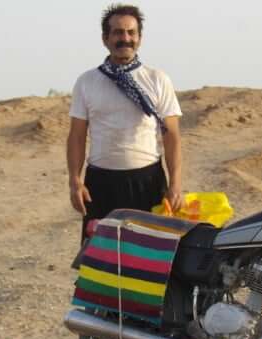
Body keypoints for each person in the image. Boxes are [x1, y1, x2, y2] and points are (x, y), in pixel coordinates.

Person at [66, 4, 183, 242]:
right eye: (118, 32)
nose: (125, 38)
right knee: (97, 264)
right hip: (100, 185)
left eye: (131, 32)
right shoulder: (87, 82)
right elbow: (77, 136)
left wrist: (175, 184)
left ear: (139, 38)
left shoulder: (157, 79)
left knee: (148, 262)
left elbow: (171, 136)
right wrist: (75, 181)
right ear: (105, 38)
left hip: (147, 182)